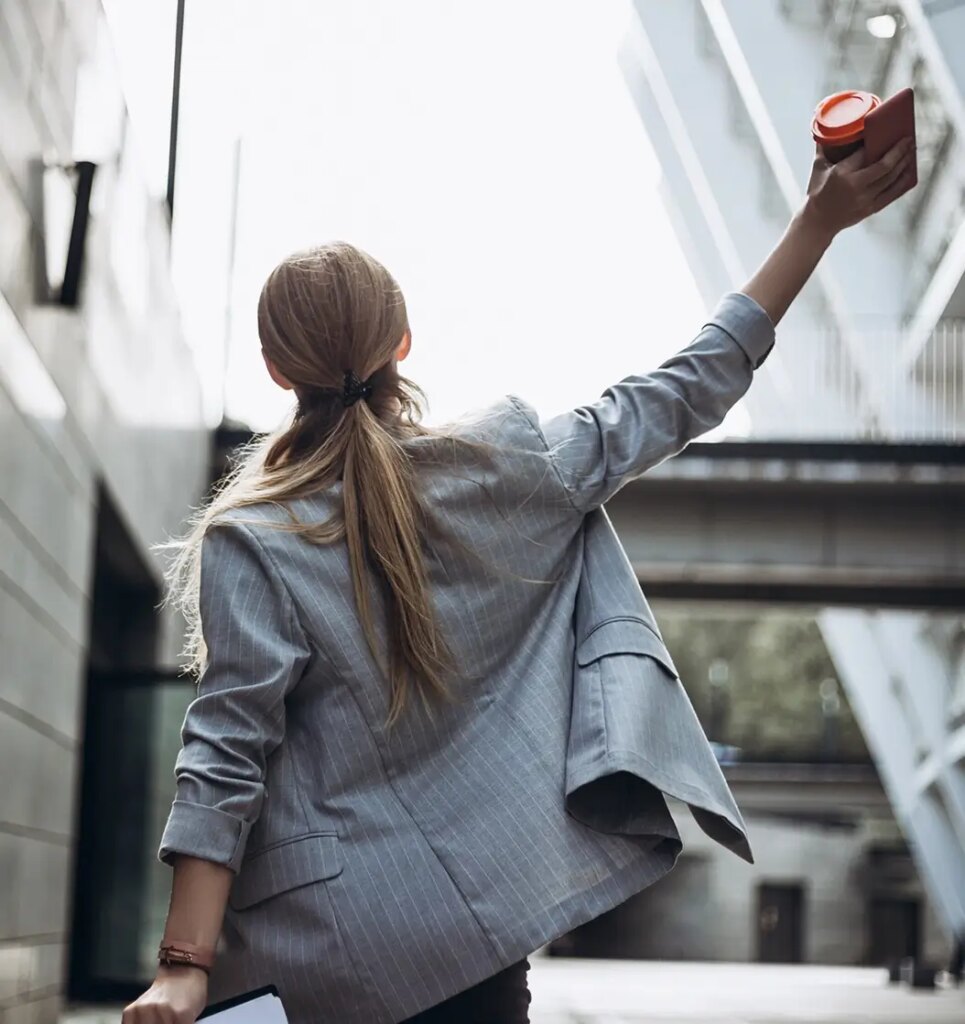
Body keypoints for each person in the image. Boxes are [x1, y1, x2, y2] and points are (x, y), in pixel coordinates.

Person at [123, 136, 915, 1024]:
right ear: (401, 342)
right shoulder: (511, 466)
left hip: (323, 957)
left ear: (277, 370)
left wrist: (183, 967)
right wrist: (817, 221)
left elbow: (225, 755)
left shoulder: (250, 537)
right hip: (478, 947)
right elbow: (687, 386)